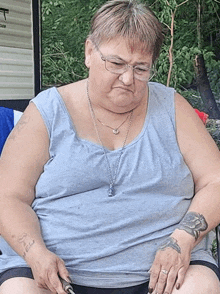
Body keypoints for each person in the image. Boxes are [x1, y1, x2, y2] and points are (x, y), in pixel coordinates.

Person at [0, 1, 220, 293]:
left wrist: (182, 239)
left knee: (201, 287)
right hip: (51, 274)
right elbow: (8, 196)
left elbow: (215, 181)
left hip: (167, 273)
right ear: (90, 51)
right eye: (116, 64)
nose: (128, 79)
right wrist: (35, 254)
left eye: (141, 68)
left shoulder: (172, 107)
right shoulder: (46, 112)